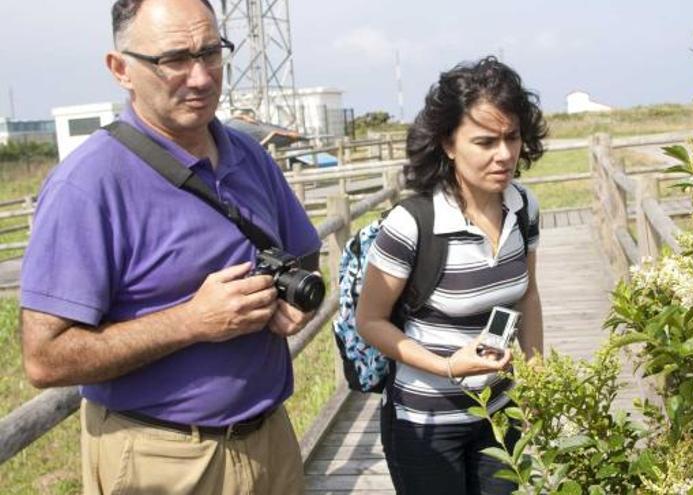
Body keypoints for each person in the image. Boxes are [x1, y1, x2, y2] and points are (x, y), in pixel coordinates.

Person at [18, 0, 321, 493]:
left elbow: (304, 252)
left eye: (210, 52)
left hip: (270, 441)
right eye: (174, 59)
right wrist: (191, 322)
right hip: (160, 457)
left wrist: (292, 305)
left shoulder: (247, 154)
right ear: (121, 70)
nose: (200, 77)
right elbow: (45, 359)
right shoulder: (90, 183)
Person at [356, 56, 546, 495]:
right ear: (448, 143)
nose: (504, 155)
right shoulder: (412, 223)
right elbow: (370, 322)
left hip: (500, 415)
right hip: (426, 425)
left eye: (512, 137)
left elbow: (528, 296)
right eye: (485, 142)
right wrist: (447, 366)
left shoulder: (524, 207)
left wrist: (537, 379)